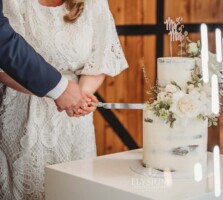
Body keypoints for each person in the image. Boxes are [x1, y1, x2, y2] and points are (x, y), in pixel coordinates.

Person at [0, 0, 128, 199]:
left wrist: (79, 98)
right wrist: (58, 92)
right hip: (24, 113)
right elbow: (6, 60)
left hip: (76, 120)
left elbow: (102, 57)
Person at [0, 0, 92, 117]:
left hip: (75, 106)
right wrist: (61, 91)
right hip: (20, 110)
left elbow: (102, 57)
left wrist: (80, 99)